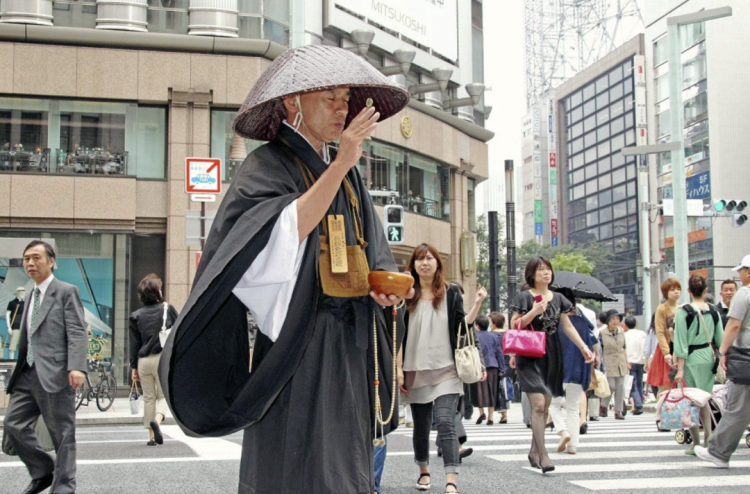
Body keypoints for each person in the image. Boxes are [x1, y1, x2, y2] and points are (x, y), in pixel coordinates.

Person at [158, 45, 411, 494]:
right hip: (300, 339)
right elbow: (269, 242)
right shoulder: (267, 165)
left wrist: (383, 287)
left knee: (345, 464)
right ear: (293, 102)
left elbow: (373, 252)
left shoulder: (350, 177)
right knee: (294, 461)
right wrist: (340, 164)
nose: (342, 107)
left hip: (350, 337)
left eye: (346, 95)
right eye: (329, 95)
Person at [398, 243, 485, 493]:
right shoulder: (406, 294)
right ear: (413, 265)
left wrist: (477, 304)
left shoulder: (451, 293)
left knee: (446, 421)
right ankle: (424, 471)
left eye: (429, 259)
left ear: (438, 263)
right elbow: (399, 334)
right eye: (420, 259)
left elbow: (462, 326)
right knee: (422, 425)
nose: (425, 263)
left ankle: (451, 478)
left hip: (447, 367)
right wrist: (398, 368)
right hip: (414, 368)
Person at [3, 240, 87, 494]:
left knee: (62, 434)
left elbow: (76, 330)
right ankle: (43, 471)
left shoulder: (65, 290)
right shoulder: (30, 294)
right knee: (12, 425)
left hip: (57, 373)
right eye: (26, 258)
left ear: (51, 261)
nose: (30, 263)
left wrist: (77, 366)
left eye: (36, 257)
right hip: (27, 374)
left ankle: (64, 487)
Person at [509, 257, 593, 473]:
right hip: (529, 354)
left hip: (552, 354)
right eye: (540, 270)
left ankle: (533, 451)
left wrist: (584, 347)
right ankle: (544, 454)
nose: (545, 273)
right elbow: (514, 324)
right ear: (532, 275)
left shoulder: (559, 299)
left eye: (548, 269)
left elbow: (568, 326)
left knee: (545, 405)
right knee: (538, 405)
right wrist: (534, 312)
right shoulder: (524, 297)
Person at [696, 255, 750, 468]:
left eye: (741, 271)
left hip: (745, 358)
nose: (740, 275)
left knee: (738, 409)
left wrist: (723, 352)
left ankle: (718, 452)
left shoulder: (744, 293)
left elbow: (734, 325)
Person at [673, 273, 724, 455]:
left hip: (690, 359)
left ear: (688, 290)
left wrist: (679, 368)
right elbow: (720, 339)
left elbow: (680, 342)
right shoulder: (713, 310)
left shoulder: (683, 311)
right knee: (704, 400)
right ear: (706, 290)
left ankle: (695, 443)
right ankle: (709, 436)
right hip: (709, 358)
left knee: (690, 402)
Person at [129, 274, 179, 446]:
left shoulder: (135, 316)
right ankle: (157, 421)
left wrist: (133, 367)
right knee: (164, 396)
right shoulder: (167, 309)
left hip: (143, 361)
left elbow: (134, 343)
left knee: (149, 398)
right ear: (157, 291)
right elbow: (178, 330)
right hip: (161, 358)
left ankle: (151, 436)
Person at [548, 289, 596, 455]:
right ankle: (573, 445)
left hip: (558, 369)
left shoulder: (554, 322)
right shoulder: (583, 323)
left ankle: (563, 431)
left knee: (553, 404)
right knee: (573, 408)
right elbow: (591, 345)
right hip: (578, 369)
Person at [647, 278, 682, 400]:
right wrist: (666, 353)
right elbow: (660, 332)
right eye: (672, 290)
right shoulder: (662, 309)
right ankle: (660, 413)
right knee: (667, 383)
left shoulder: (682, 308)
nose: (676, 292)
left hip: (680, 349)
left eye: (678, 289)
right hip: (666, 350)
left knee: (679, 383)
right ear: (666, 292)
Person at [474, 315, 505, 426]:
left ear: (477, 326)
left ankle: (481, 413)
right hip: (493, 365)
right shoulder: (493, 336)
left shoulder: (474, 336)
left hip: (478, 366)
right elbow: (499, 352)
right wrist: (502, 368)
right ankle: (490, 418)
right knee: (492, 391)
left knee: (479, 390)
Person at [600, 309, 629, 420]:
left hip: (621, 361)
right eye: (613, 319)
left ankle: (618, 411)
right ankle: (603, 405)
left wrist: (627, 361)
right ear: (608, 321)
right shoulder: (602, 333)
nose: (615, 321)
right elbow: (600, 348)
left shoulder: (621, 331)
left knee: (620, 387)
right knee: (610, 386)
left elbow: (624, 347)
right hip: (608, 361)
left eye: (617, 319)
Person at [490, 312, 510, 424]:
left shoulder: (492, 335)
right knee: (504, 387)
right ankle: (504, 413)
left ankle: (502, 414)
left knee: (497, 389)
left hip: (496, 364)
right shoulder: (507, 334)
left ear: (494, 323)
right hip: (508, 363)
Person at [623, 315, 646, 415]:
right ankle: (639, 404)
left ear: (625, 325)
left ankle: (638, 404)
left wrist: (626, 361)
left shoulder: (625, 335)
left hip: (630, 362)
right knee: (639, 384)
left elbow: (624, 349)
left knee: (632, 385)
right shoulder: (642, 334)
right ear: (636, 324)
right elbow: (644, 347)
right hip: (640, 361)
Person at [5, 286, 25, 360]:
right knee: (13, 346)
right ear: (17, 293)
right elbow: (7, 315)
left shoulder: (25, 304)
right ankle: (11, 361)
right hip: (15, 326)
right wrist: (9, 327)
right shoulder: (12, 303)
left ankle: (20, 363)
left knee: (22, 346)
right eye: (21, 292)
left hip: (23, 327)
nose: (22, 294)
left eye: (23, 292)